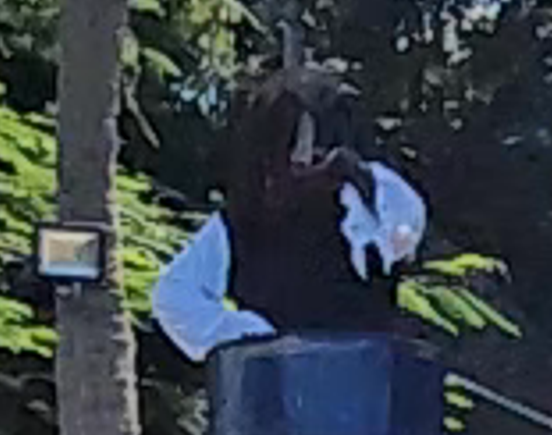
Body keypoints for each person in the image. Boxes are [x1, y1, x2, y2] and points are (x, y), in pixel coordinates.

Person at [147, 69, 428, 360]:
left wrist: (363, 181)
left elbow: (404, 233)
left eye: (312, 157)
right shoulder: (240, 225)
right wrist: (251, 338)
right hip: (278, 395)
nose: (300, 169)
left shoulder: (364, 213)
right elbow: (174, 297)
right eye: (285, 158)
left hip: (364, 387)